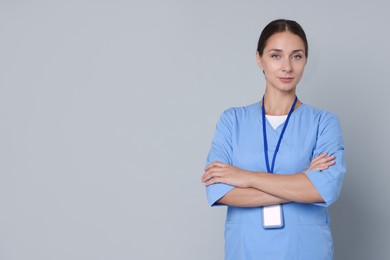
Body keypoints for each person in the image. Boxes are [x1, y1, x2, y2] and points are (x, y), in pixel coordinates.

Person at [201, 19, 346, 260]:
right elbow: (218, 190)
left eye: (297, 56)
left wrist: (245, 177)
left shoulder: (323, 122)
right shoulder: (232, 120)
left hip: (305, 249)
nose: (287, 67)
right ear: (260, 59)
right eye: (276, 56)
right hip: (246, 248)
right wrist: (302, 182)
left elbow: (325, 189)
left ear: (306, 61)